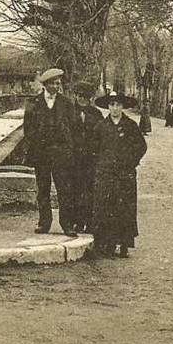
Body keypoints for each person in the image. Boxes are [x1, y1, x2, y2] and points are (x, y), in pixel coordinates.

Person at [91, 90, 147, 257]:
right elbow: (93, 149)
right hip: (106, 173)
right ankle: (106, 243)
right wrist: (101, 164)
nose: (115, 108)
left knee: (124, 208)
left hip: (125, 174)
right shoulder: (101, 126)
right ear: (108, 107)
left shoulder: (130, 126)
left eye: (118, 105)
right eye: (112, 105)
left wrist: (131, 162)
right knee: (105, 206)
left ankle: (123, 243)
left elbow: (141, 147)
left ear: (123, 107)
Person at [24, 68, 79, 237]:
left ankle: (67, 224)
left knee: (64, 189)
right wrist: (35, 144)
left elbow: (73, 127)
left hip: (61, 153)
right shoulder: (34, 103)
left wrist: (68, 148)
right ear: (46, 84)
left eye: (59, 83)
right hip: (41, 154)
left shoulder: (66, 103)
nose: (57, 86)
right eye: (54, 83)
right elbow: (28, 128)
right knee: (43, 189)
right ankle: (44, 223)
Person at [72, 81, 104, 233]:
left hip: (91, 159)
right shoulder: (70, 111)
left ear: (90, 98)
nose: (81, 99)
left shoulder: (96, 114)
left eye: (85, 96)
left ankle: (90, 222)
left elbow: (101, 136)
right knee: (75, 190)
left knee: (91, 190)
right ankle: (78, 221)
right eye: (79, 96)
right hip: (74, 159)